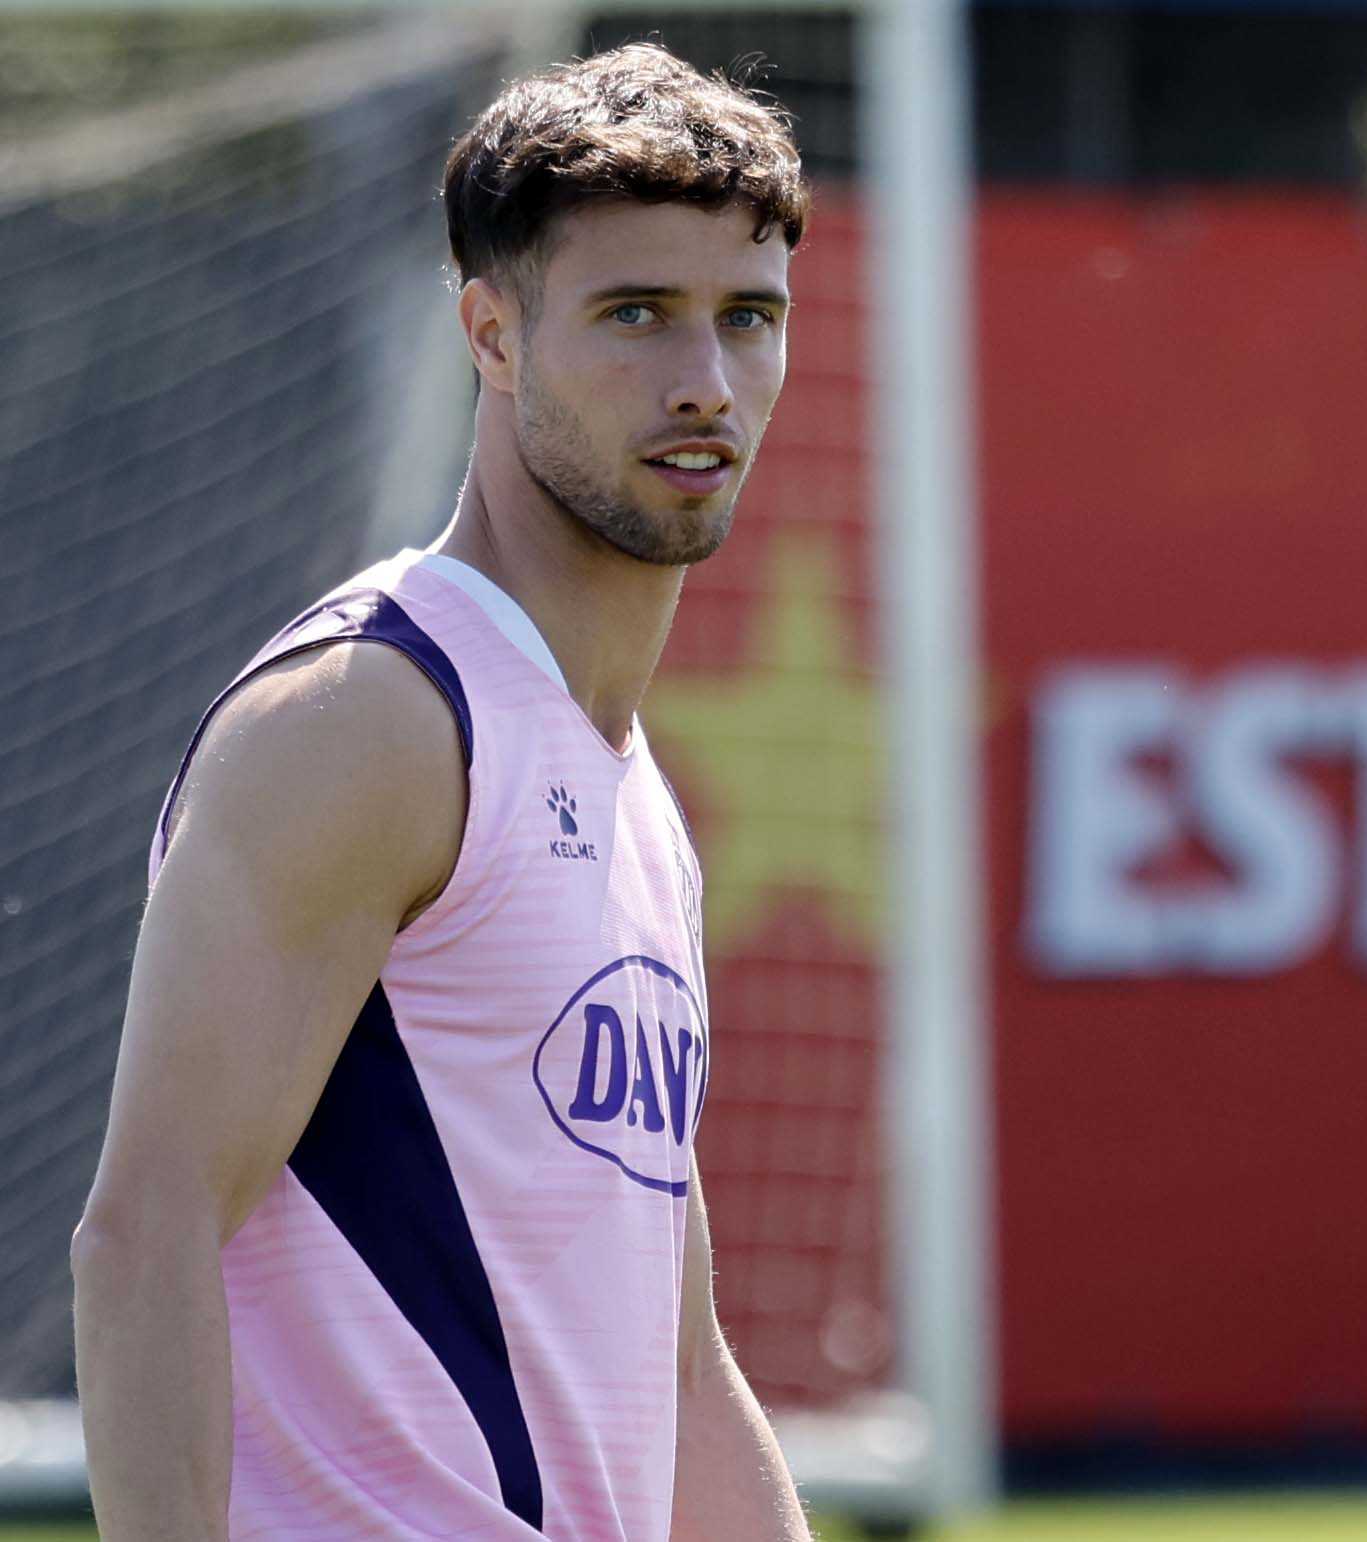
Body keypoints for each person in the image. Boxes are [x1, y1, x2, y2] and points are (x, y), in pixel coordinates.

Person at [70, 43, 812, 1540]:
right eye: (634, 314)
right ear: (492, 333)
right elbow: (144, 1234)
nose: (704, 381)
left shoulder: (635, 798)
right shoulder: (372, 717)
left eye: (747, 316)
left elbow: (679, 1371)